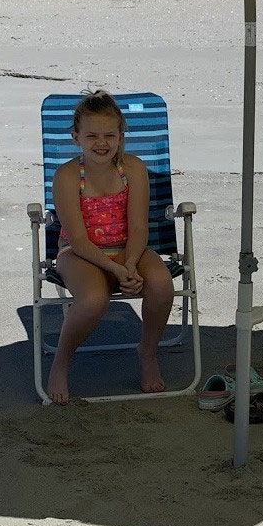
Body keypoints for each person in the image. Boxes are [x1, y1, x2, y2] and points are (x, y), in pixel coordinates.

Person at [46, 91, 175, 405]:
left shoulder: (132, 169)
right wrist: (117, 270)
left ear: (121, 136)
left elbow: (139, 227)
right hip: (79, 253)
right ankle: (61, 362)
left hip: (129, 247)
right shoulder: (66, 176)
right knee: (93, 299)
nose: (100, 143)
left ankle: (147, 351)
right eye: (91, 135)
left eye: (109, 135)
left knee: (161, 284)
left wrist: (130, 264)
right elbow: (77, 238)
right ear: (76, 137)